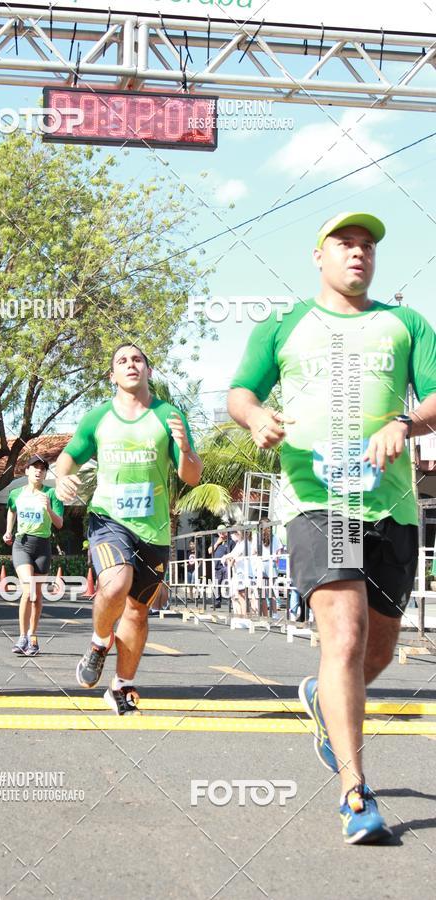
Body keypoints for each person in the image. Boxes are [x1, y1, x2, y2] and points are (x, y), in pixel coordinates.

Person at [228, 211, 436, 844]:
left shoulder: (405, 324)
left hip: (392, 508)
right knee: (344, 636)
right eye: (345, 243)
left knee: (378, 649)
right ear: (318, 255)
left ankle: (323, 699)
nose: (358, 253)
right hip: (320, 502)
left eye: (367, 245)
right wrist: (256, 417)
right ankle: (355, 793)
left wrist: (405, 423)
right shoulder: (283, 325)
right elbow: (240, 392)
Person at [55, 343, 202, 714]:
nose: (130, 364)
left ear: (148, 371)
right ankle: (99, 640)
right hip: (109, 519)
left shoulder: (169, 415)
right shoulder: (98, 418)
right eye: (122, 360)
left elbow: (192, 476)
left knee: (137, 611)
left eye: (137, 359)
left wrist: (185, 450)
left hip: (154, 530)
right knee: (116, 582)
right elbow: (69, 456)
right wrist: (61, 478)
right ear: (112, 375)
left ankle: (121, 686)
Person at [4, 456, 64, 656]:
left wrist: (48, 508)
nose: (39, 471)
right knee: (28, 590)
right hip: (22, 545)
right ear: (27, 471)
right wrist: (8, 531)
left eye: (42, 469)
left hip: (42, 546)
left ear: (45, 473)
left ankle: (33, 636)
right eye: (35, 467)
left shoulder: (52, 494)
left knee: (36, 595)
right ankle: (22, 637)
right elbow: (11, 510)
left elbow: (59, 523)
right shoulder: (16, 493)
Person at [207, 525, 232, 609]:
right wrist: (217, 543)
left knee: (228, 584)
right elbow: (209, 551)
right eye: (219, 532)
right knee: (216, 585)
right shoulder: (215, 540)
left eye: (223, 531)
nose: (221, 533)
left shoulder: (230, 541)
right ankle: (217, 602)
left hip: (226, 566)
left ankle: (230, 602)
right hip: (217, 566)